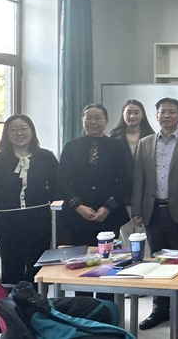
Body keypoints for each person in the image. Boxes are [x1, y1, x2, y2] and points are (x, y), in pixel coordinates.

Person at [131, 98, 178, 331]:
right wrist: (137, 209)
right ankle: (159, 310)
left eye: (172, 112)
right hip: (153, 211)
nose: (167, 115)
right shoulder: (144, 143)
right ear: (156, 116)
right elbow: (139, 179)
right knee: (156, 262)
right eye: (163, 112)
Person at [0, 115, 59, 284]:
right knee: (11, 265)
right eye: (13, 130)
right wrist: (4, 203)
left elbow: (57, 183)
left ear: (31, 131)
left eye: (24, 128)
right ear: (7, 134)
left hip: (38, 217)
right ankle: (12, 301)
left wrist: (44, 198)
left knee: (37, 265)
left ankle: (38, 299)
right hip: (7, 219)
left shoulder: (46, 157)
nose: (19, 133)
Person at [58, 104, 130, 247]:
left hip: (109, 213)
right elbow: (61, 180)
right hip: (77, 214)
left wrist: (107, 207)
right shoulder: (70, 146)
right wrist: (78, 207)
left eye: (98, 118)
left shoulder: (117, 146)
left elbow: (124, 179)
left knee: (108, 256)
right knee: (80, 256)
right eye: (89, 118)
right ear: (82, 120)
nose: (93, 122)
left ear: (106, 120)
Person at [108, 100, 154, 251]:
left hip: (146, 195)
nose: (132, 116)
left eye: (136, 112)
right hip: (122, 195)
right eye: (128, 112)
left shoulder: (152, 136)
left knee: (145, 237)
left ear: (142, 115)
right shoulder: (114, 137)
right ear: (123, 115)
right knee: (125, 237)